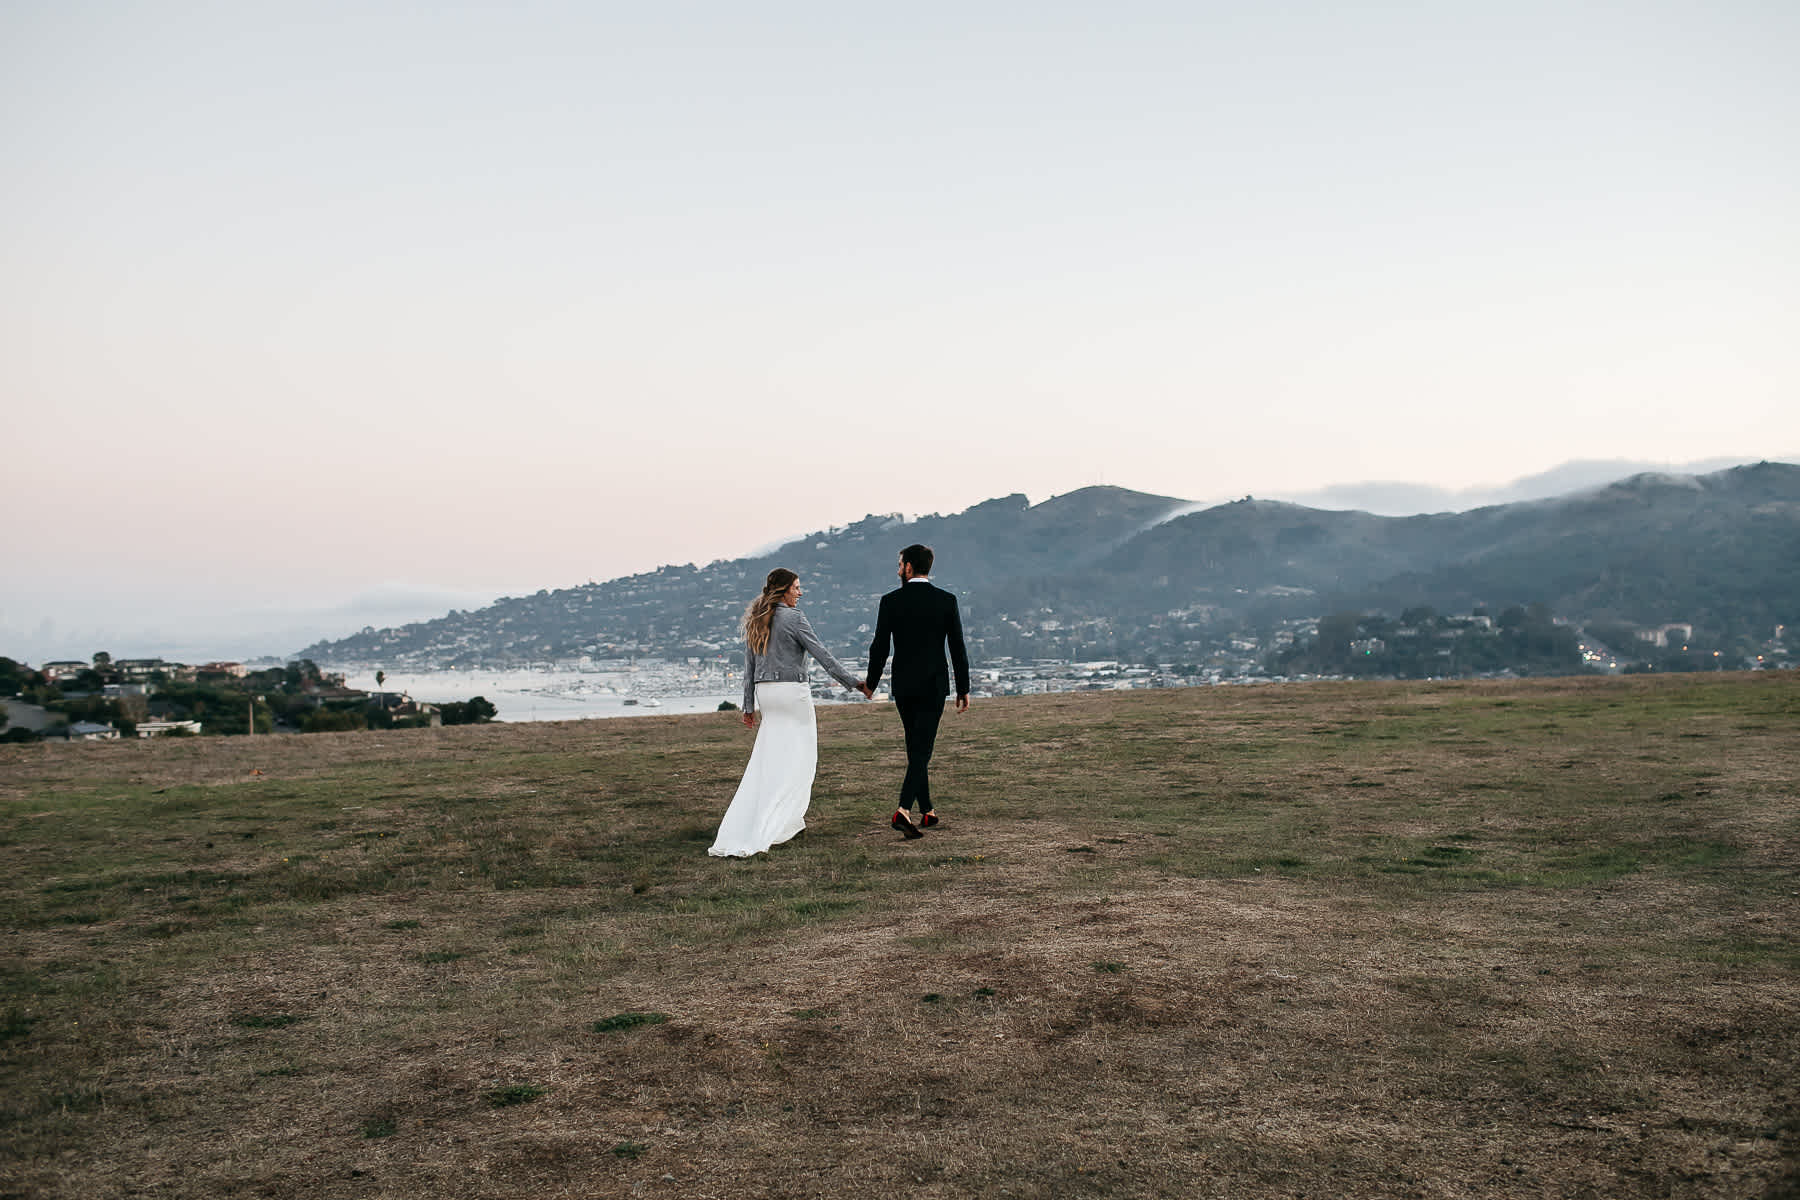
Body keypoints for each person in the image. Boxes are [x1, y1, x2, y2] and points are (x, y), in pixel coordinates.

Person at [710, 568, 867, 857]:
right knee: (801, 759)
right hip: (792, 693)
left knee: (769, 759)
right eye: (796, 587)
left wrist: (748, 707)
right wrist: (854, 683)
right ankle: (781, 822)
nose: (800, 592)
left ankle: (774, 819)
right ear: (783, 590)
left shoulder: (756, 619)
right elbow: (822, 654)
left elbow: (749, 669)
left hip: (766, 694)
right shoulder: (795, 618)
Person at [864, 543, 970, 839]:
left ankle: (928, 810)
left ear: (909, 567)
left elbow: (880, 647)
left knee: (916, 746)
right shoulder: (946, 600)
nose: (898, 569)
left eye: (900, 565)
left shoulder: (891, 601)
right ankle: (903, 809)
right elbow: (957, 647)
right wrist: (963, 686)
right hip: (934, 683)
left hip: (904, 684)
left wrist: (870, 683)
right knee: (922, 747)